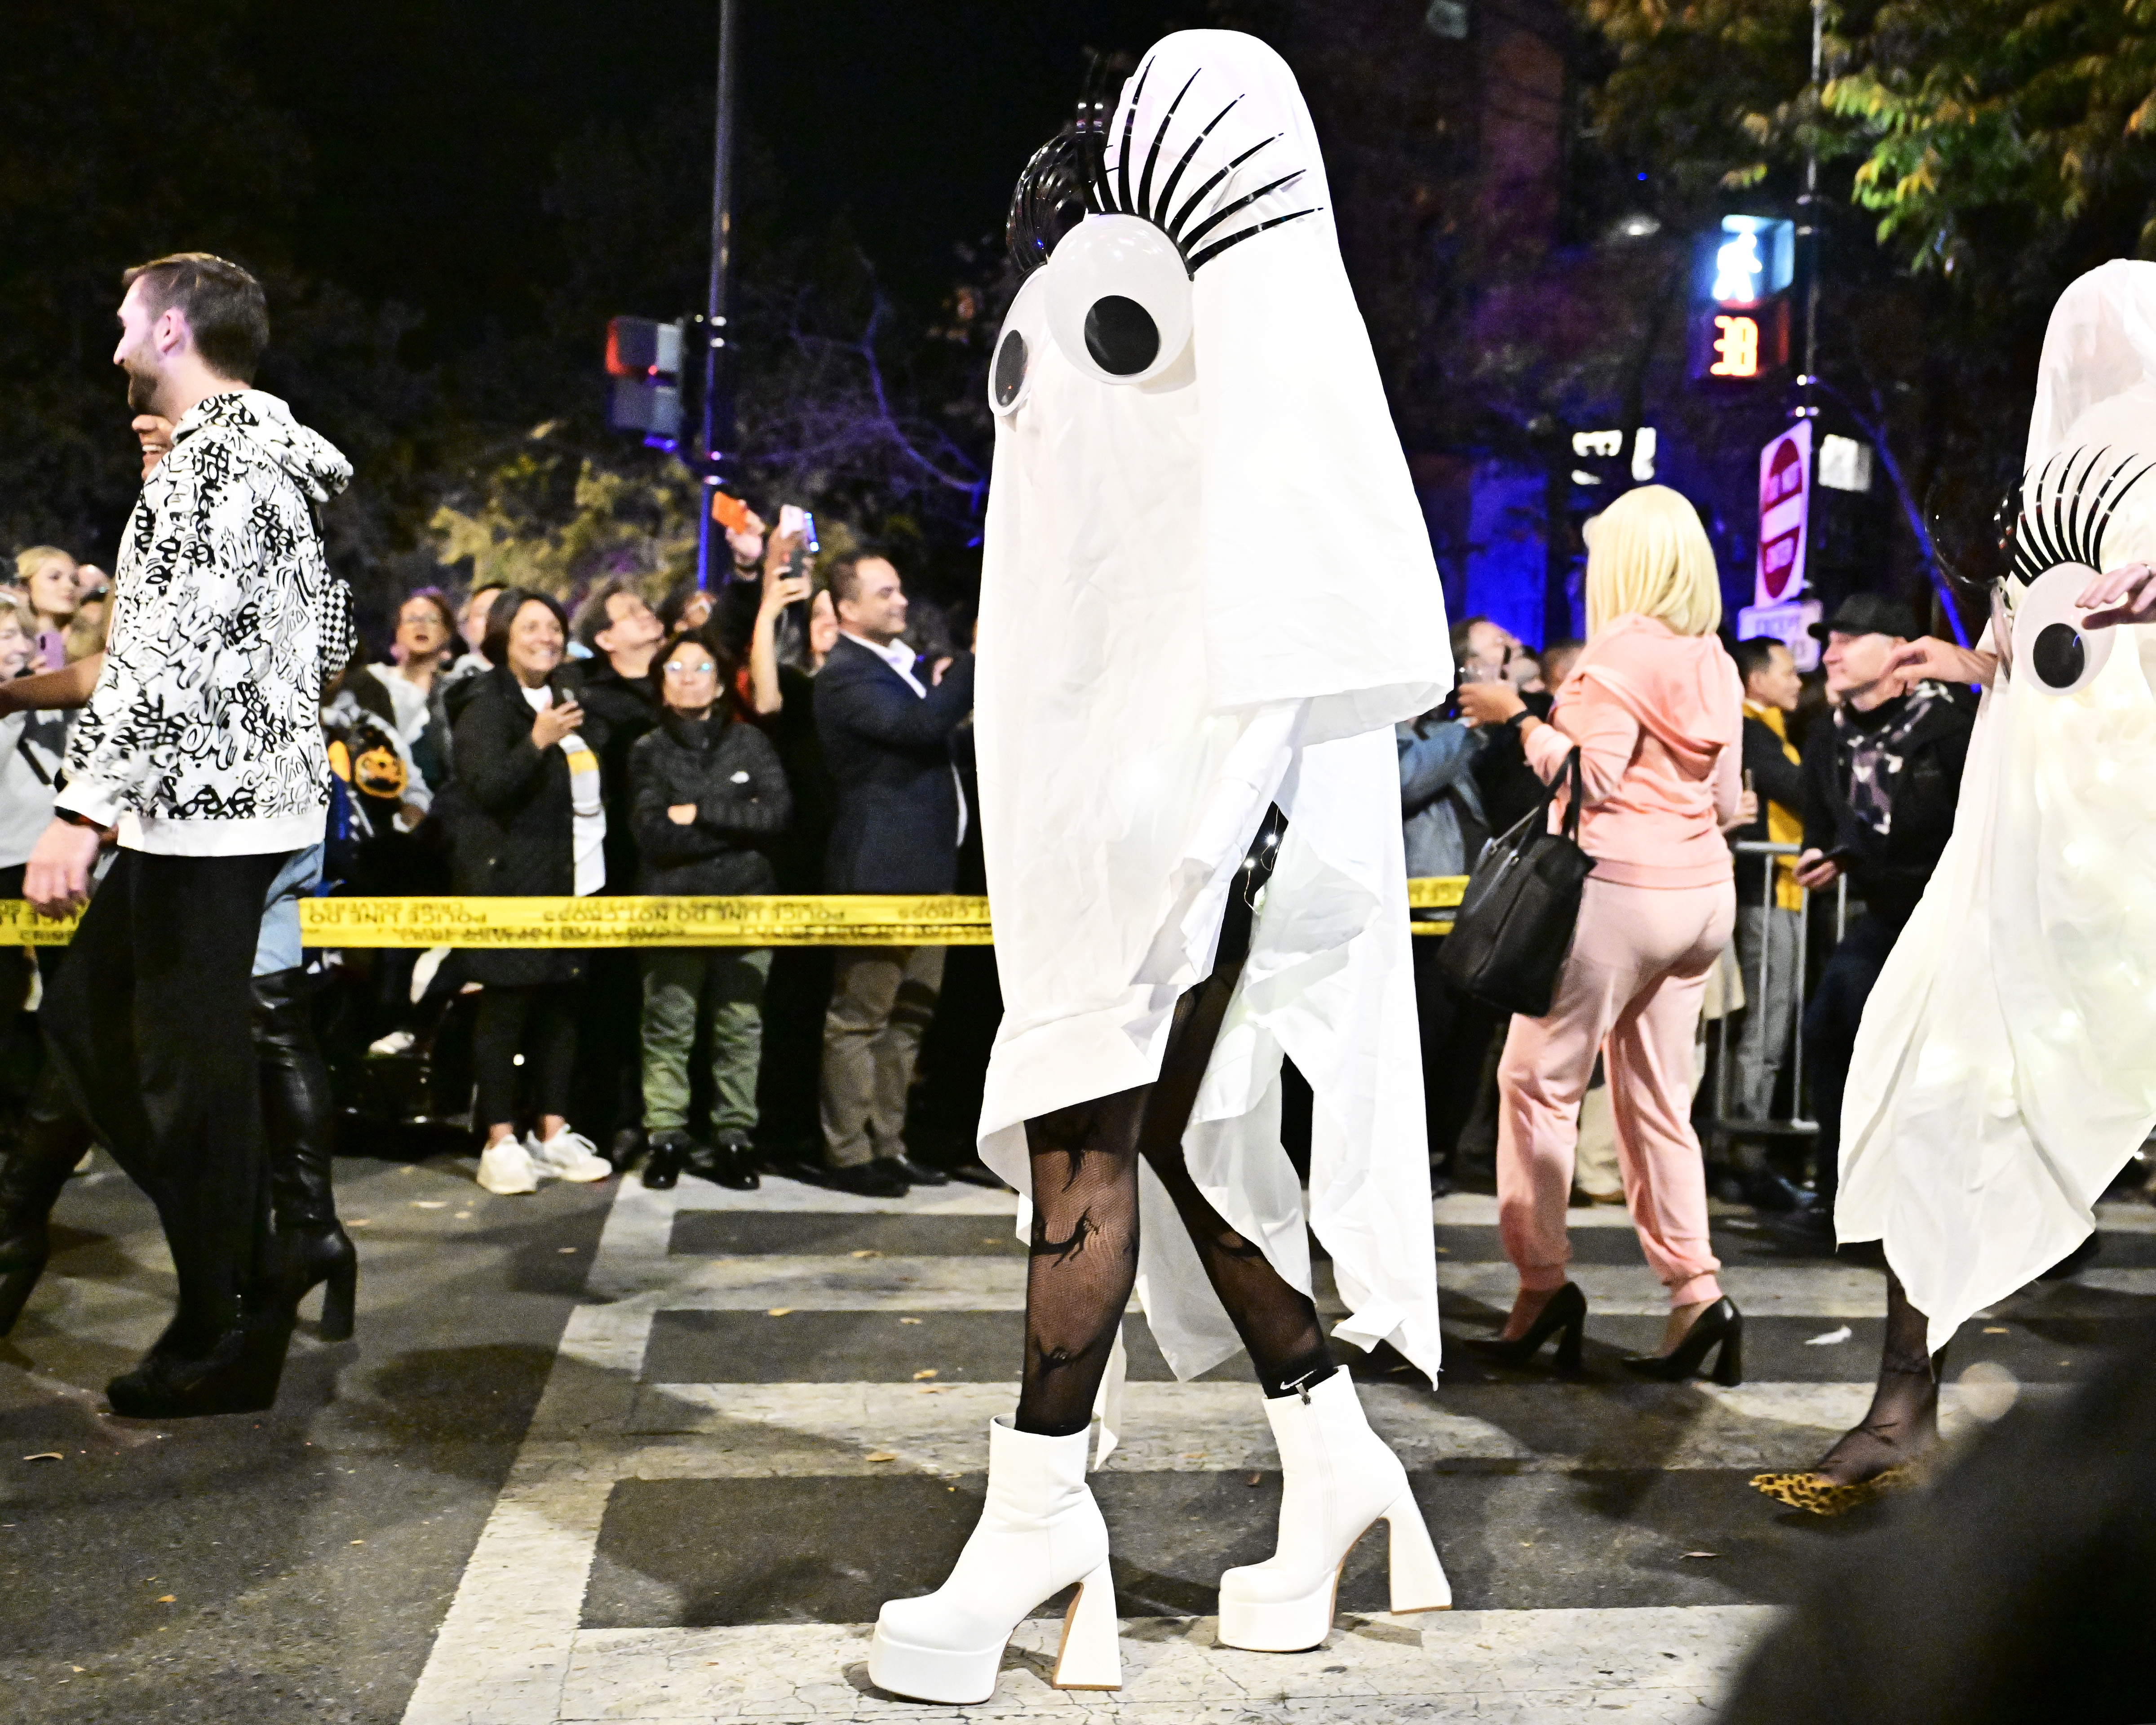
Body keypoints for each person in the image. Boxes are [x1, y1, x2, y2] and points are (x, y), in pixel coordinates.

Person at [868, 35, 1452, 1703]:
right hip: (1134, 796)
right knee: (1172, 1156)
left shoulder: (1230, 332)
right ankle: (1340, 1463)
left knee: (1085, 1143)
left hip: (1198, 812)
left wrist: (1203, 825)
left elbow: (1267, 592)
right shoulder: (1119, 321)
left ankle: (1038, 1518)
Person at [1754, 259, 2156, 1514]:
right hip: (2018, 836)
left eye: (2105, 332)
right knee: (1928, 1083)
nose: (2081, 354)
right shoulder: (2053, 477)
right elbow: (2041, 660)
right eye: (2069, 333)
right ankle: (1894, 1404)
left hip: (2116, 833)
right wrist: (1978, 654)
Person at [19, 252, 352, 1418]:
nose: (112, 347)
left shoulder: (212, 467)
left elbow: (167, 649)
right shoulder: (274, 465)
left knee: (177, 1070)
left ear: (170, 329)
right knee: (109, 1034)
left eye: (123, 324)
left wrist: (83, 807)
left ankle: (232, 1306)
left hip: (200, 817)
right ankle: (256, 1263)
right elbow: (324, 635)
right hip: (225, 805)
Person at [1456, 483, 1753, 1384]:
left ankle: (1541, 1285)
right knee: (1659, 1101)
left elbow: (1582, 780)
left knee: (1533, 1084)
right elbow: (1720, 800)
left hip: (1618, 894)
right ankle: (1693, 1290)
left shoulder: (1611, 659)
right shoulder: (1714, 660)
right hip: (1702, 896)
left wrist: (1518, 723)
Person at [1772, 592, 1975, 1248]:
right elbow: (1821, 816)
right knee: (1832, 1026)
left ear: (1897, 652)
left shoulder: (1950, 724)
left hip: (1952, 915)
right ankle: (1843, 1198)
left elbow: (1978, 819)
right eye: (1828, 639)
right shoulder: (1830, 730)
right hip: (1886, 912)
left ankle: (1975, 1208)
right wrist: (1819, 850)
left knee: (1952, 1063)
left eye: (1847, 638)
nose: (1827, 651)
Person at [812, 548, 975, 1197]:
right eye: (884, 592)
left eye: (900, 588)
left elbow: (932, 730)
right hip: (880, 872)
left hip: (930, 871)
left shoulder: (896, 669)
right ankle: (848, 1152)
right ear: (846, 607)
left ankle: (889, 1142)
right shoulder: (845, 675)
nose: (900, 601)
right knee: (861, 1015)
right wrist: (974, 660)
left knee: (910, 1015)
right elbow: (916, 726)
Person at [443, 587, 615, 1195]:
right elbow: (484, 786)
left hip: (576, 880)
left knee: (561, 1007)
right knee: (506, 1007)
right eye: (531, 627)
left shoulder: (570, 696)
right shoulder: (485, 701)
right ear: (502, 636)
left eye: (553, 627)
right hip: (510, 883)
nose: (545, 637)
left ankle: (553, 1131)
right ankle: (500, 1139)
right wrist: (536, 740)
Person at [628, 631, 793, 1190]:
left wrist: (696, 811)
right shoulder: (647, 749)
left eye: (700, 666)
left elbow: (775, 817)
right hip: (671, 907)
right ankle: (667, 1137)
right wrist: (733, 824)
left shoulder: (751, 745)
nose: (689, 675)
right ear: (661, 682)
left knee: (739, 1026)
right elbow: (652, 833)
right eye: (675, 667)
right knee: (668, 1025)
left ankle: (733, 1137)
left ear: (720, 682)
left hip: (747, 905)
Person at [1396, 700, 1499, 1188]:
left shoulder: (1436, 733)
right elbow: (1406, 778)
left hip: (1459, 917)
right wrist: (1466, 730)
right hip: (1411, 924)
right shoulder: (1382, 734)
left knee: (1461, 1044)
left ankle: (1444, 1151)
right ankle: (1408, 1158)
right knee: (1419, 1043)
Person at [1723, 636, 1811, 1202]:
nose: (1798, 680)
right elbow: (1800, 790)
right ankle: (1745, 1152)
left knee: (1771, 1024)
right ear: (1755, 680)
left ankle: (1748, 1146)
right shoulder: (1750, 730)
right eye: (1786, 671)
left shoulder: (1768, 729)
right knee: (1764, 1027)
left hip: (1781, 892)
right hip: (1764, 894)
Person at [353, 588, 457, 794]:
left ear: (446, 633)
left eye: (432, 620)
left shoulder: (456, 692)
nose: (421, 625)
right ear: (397, 633)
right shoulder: (372, 682)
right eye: (412, 619)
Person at [14, 546, 79, 672]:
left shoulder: (84, 637)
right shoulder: (11, 641)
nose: (70, 586)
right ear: (25, 585)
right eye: (55, 577)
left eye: (74, 580)